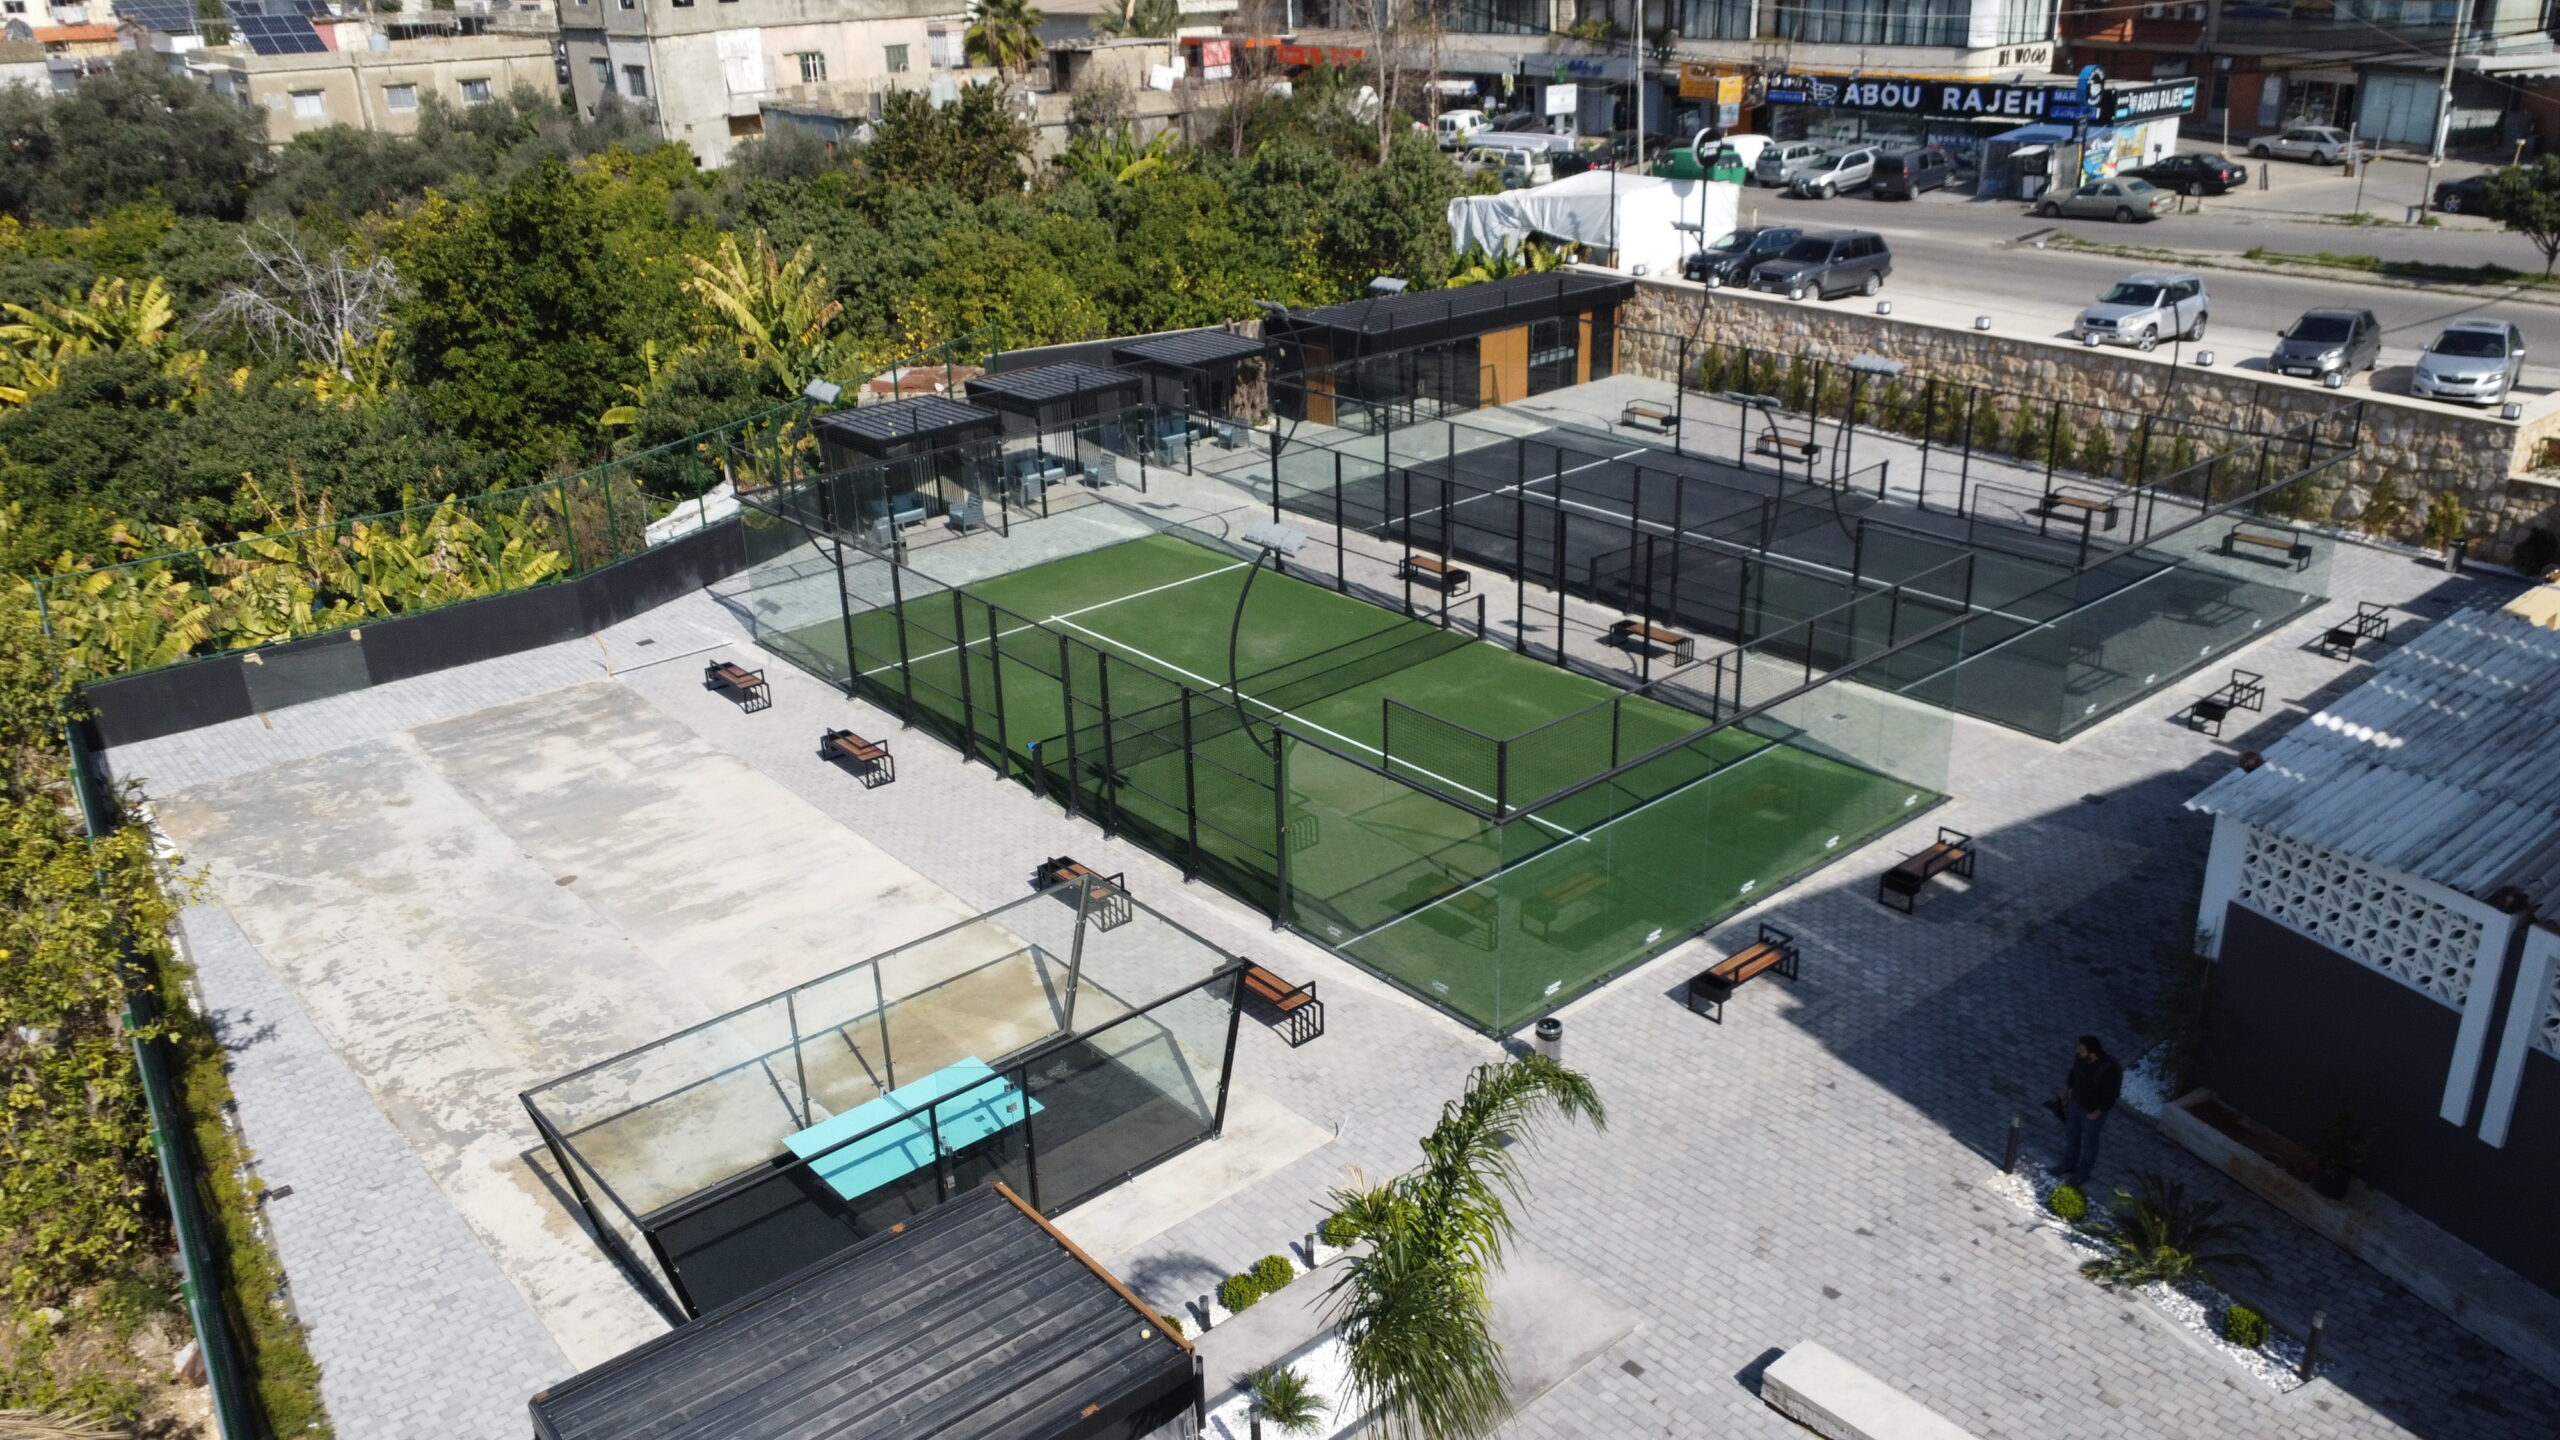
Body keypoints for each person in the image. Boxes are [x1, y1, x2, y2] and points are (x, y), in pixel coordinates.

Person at [2055, 1034, 2122, 1187]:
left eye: (2082, 1050)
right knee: (2072, 1136)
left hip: (2092, 1112)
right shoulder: (2080, 1058)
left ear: (2092, 1053)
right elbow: (2073, 1074)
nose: (2078, 1051)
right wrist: (2065, 1090)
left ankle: (2082, 1174)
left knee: (2090, 1144)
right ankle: (2068, 1165)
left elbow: (2110, 1097)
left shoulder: (2105, 1070)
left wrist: (2096, 1113)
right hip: (2075, 1104)